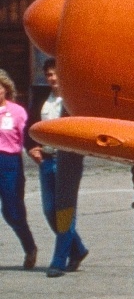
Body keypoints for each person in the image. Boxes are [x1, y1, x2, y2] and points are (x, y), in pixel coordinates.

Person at [28, 60, 87, 277]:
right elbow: (30, 125)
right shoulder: (43, 99)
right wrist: (32, 147)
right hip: (47, 160)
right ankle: (78, 249)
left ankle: (59, 260)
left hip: (68, 160)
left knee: (65, 210)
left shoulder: (73, 102)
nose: (52, 78)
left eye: (55, 74)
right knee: (49, 209)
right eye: (49, 75)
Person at [0, 69, 38, 269]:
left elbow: (27, 139)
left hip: (9, 163)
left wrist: (36, 153)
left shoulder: (17, 111)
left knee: (12, 211)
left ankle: (29, 247)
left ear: (6, 89)